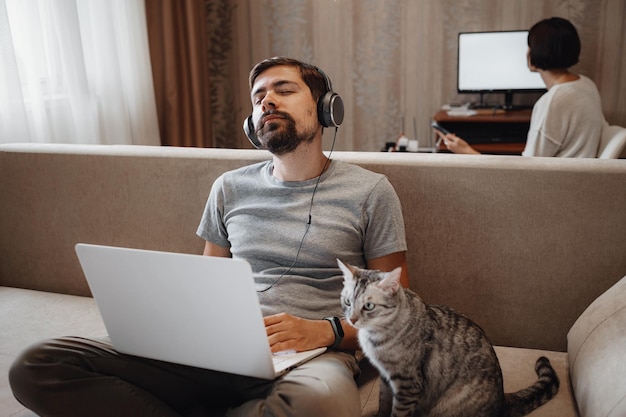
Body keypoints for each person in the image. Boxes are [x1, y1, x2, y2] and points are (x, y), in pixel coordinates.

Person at [9, 57, 409, 417]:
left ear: (326, 109)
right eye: (259, 97)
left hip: (309, 356)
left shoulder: (369, 192)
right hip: (214, 350)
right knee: (36, 365)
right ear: (251, 124)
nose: (267, 101)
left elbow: (397, 309)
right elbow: (203, 285)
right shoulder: (229, 188)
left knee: (320, 403)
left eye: (284, 90)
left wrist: (328, 330)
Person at [438, 17, 606, 157]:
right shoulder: (586, 84)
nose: (526, 52)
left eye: (530, 46)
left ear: (538, 51)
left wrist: (467, 152)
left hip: (550, 190)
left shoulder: (553, 101)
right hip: (578, 183)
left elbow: (525, 171)